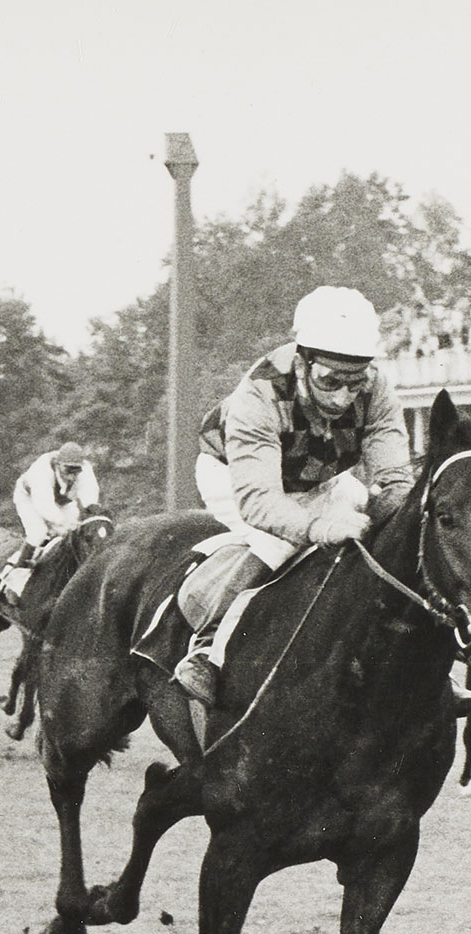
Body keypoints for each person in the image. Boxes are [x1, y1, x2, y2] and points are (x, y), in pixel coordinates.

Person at [172, 285, 414, 704]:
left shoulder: (377, 388)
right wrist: (321, 526)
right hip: (233, 475)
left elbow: (395, 478)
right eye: (330, 381)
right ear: (303, 361)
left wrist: (394, 509)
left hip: (316, 476)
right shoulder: (259, 395)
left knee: (384, 527)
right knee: (281, 540)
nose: (343, 397)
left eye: (355, 383)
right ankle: (209, 649)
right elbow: (261, 502)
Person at [0, 441, 101, 600]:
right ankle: (15, 578)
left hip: (62, 502)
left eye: (76, 470)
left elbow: (89, 495)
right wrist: (63, 523)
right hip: (29, 499)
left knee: (74, 535)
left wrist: (92, 511)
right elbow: (43, 505)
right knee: (38, 533)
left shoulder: (85, 469)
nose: (73, 475)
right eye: (69, 470)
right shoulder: (42, 470)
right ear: (59, 465)